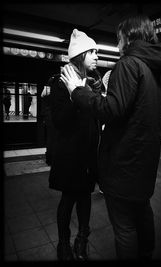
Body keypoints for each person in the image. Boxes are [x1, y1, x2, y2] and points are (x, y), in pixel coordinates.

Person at [61, 15, 161, 260]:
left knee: (124, 228)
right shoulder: (159, 70)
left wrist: (77, 91)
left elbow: (111, 110)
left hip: (122, 166)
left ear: (128, 37)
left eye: (119, 37)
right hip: (145, 165)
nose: (118, 43)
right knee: (143, 213)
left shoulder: (129, 64)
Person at [49, 29, 103, 261]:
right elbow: (60, 122)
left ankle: (82, 239)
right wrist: (74, 95)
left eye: (97, 51)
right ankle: (63, 243)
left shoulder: (95, 82)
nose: (97, 56)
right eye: (92, 52)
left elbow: (98, 116)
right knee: (68, 200)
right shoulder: (61, 83)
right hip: (70, 156)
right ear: (80, 55)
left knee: (85, 199)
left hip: (89, 154)